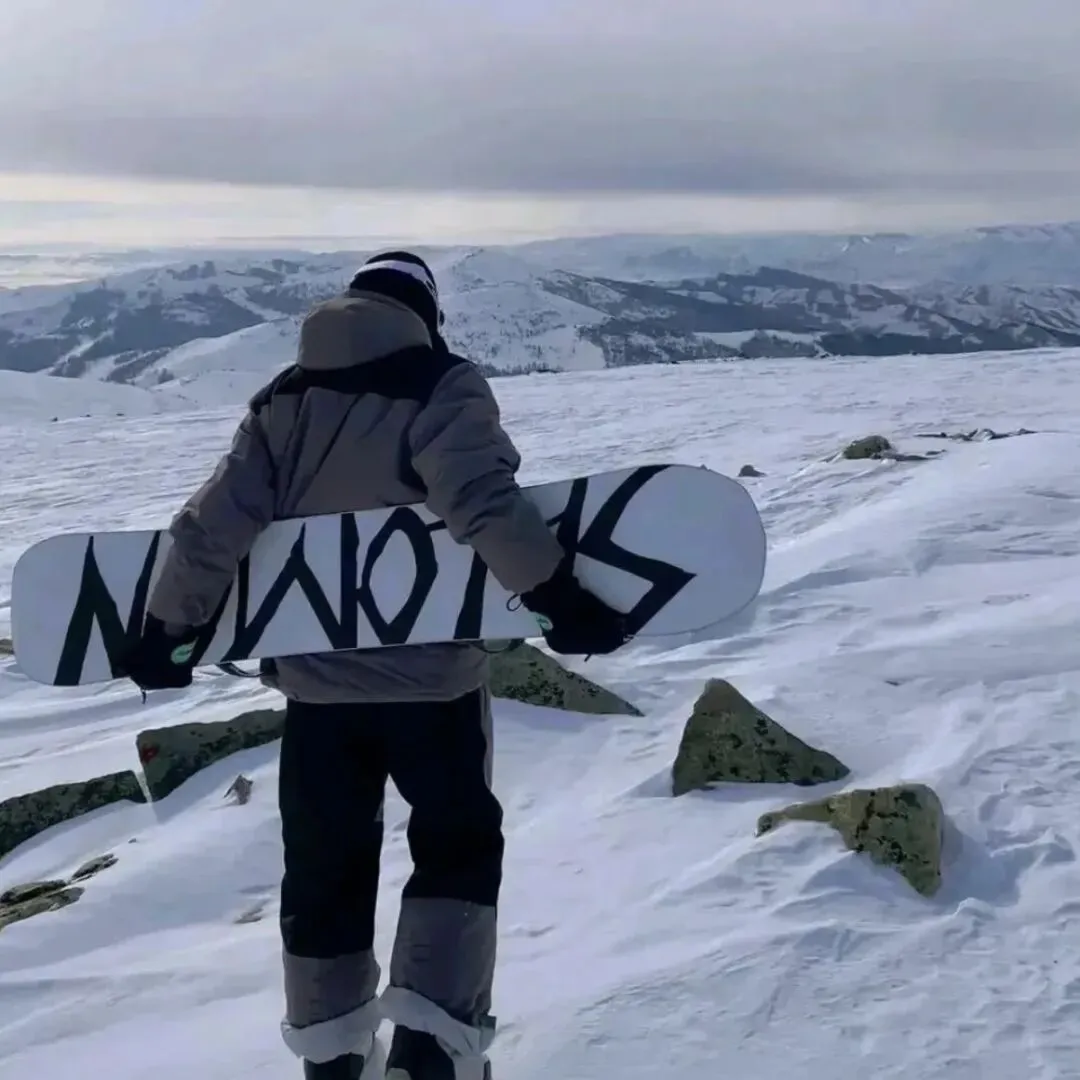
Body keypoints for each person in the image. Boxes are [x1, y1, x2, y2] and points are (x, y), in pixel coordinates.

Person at [115, 251, 630, 1080]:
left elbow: (214, 525)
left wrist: (168, 629)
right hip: (433, 688)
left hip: (318, 695)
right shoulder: (440, 384)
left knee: (325, 866)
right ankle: (434, 1049)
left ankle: (331, 1055)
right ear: (424, 314)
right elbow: (481, 502)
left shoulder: (282, 401)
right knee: (456, 850)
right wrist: (557, 594)